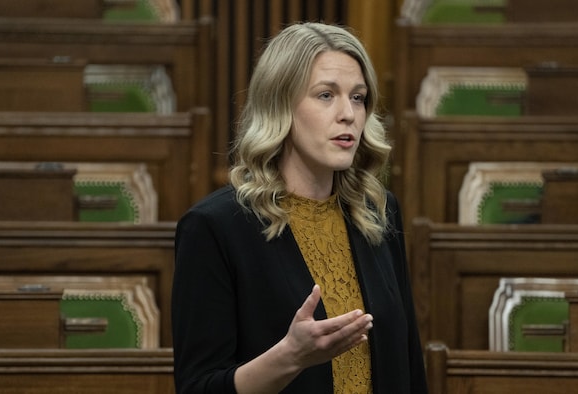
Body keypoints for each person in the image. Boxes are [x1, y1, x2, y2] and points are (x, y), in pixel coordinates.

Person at [171, 21, 428, 394]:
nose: (349, 114)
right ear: (280, 105)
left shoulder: (378, 211)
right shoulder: (215, 227)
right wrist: (290, 356)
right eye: (326, 95)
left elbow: (408, 364)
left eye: (358, 97)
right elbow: (197, 387)